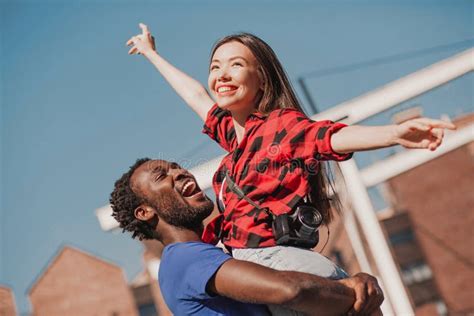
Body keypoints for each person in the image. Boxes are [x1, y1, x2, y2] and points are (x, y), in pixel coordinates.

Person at [125, 23, 455, 314]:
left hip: (279, 261)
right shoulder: (232, 136)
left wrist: (393, 134)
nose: (221, 75)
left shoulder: (281, 127)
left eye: (236, 65)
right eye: (215, 66)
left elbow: (327, 137)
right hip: (268, 262)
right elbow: (195, 94)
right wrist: (152, 55)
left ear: (262, 81)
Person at [109, 158, 384, 316]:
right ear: (144, 212)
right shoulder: (184, 259)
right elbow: (289, 289)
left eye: (175, 166)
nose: (179, 172)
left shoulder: (201, 253)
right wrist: (354, 289)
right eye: (162, 175)